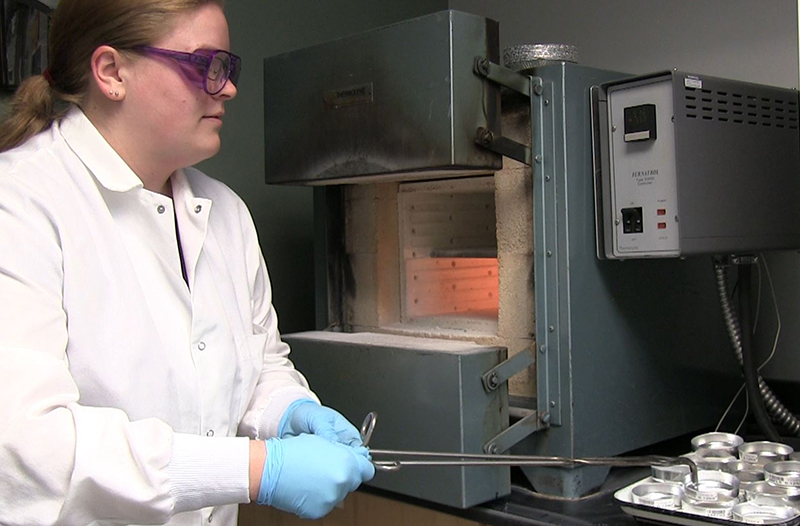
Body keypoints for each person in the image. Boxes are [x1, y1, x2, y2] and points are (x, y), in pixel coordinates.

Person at [0, 0, 374, 524]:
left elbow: (259, 365)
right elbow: (25, 448)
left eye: (228, 67)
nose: (227, 87)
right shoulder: (18, 203)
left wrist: (287, 411)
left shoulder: (225, 211)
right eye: (205, 65)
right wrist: (257, 468)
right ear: (112, 72)